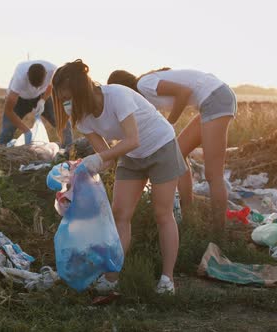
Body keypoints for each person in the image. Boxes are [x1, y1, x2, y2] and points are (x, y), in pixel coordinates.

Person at [53, 60, 187, 294]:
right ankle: (112, 276)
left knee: (162, 213)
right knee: (120, 214)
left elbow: (132, 138)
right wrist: (81, 171)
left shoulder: (117, 96)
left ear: (80, 91)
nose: (66, 104)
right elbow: (107, 158)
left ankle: (167, 279)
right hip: (131, 155)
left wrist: (99, 158)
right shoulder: (82, 118)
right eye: (62, 99)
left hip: (161, 145)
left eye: (68, 98)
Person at [108, 68, 237, 230]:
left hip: (216, 98)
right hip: (211, 101)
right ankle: (188, 214)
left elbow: (184, 92)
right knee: (177, 154)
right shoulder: (144, 98)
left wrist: (170, 124)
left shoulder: (144, 84)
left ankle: (219, 233)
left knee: (213, 174)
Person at [0, 60, 72, 147]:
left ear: (46, 74)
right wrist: (26, 130)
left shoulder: (53, 71)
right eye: (33, 86)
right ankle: (1, 154)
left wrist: (43, 100)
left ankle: (69, 150)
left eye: (39, 86)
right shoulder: (19, 78)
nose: (36, 89)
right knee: (7, 130)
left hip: (41, 95)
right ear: (27, 75)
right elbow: (8, 111)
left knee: (62, 121)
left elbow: (51, 85)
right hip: (20, 98)